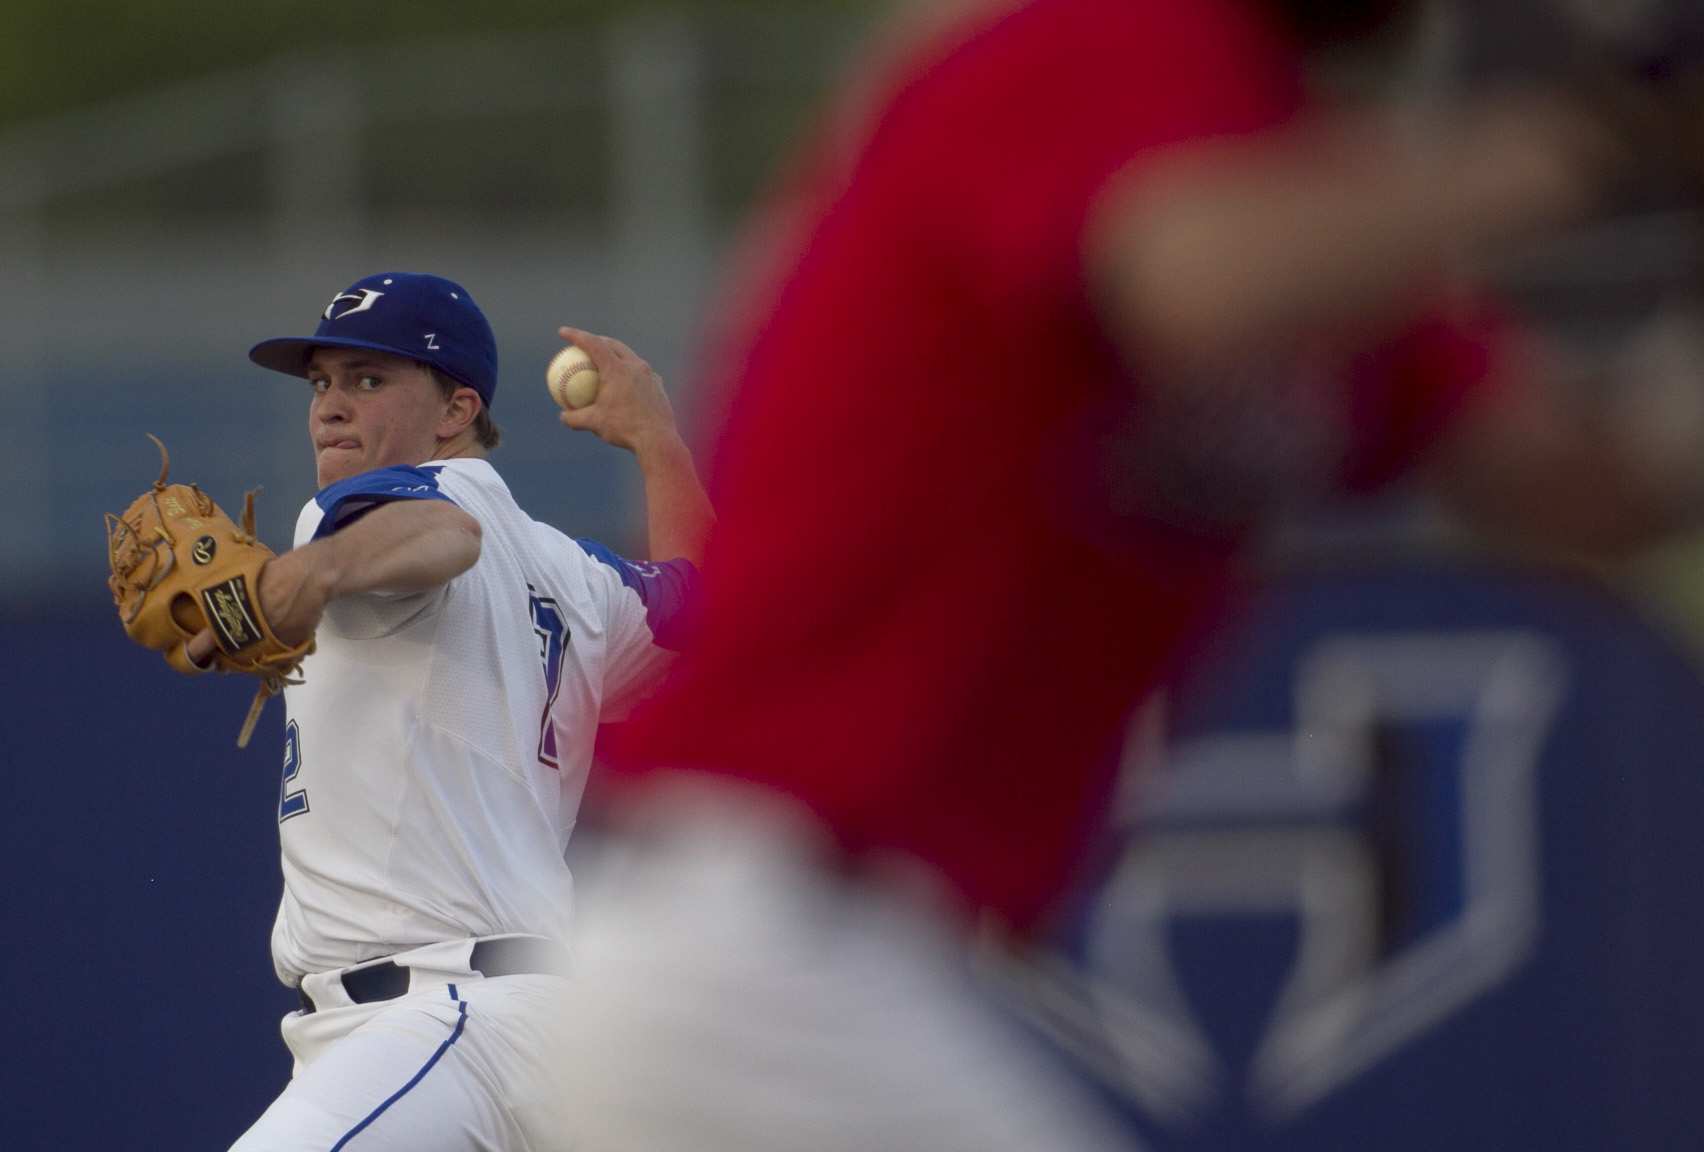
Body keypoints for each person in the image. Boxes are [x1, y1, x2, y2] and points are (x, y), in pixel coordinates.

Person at [554, 0, 1691, 1149]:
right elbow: (1194, 277)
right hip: (739, 937)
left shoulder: (1318, 191)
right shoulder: (1110, 38)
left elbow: (1579, 490)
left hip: (849, 966)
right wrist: (1589, 140)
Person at [208, 270, 711, 1152]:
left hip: (440, 1021)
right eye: (322, 381)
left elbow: (446, 536)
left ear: (456, 410)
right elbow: (708, 611)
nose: (330, 406)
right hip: (501, 1029)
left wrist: (306, 573)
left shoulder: (363, 513)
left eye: (370, 380)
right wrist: (658, 442)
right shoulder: (574, 576)